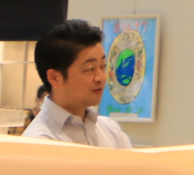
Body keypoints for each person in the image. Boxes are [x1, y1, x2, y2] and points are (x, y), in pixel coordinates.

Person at [21, 19, 132, 148]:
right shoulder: (39, 141)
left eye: (103, 66)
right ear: (55, 78)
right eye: (90, 69)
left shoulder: (110, 130)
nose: (101, 77)